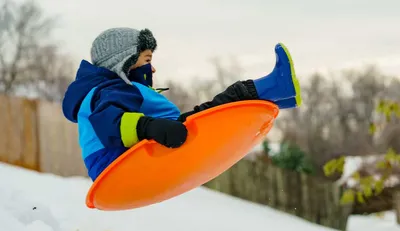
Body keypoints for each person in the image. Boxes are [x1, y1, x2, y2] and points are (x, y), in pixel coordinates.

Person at [62, 27, 302, 181]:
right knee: (215, 110)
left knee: (206, 114)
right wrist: (149, 127)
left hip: (124, 161)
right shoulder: (109, 90)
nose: (152, 68)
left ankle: (277, 96)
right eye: (146, 60)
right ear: (124, 62)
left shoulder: (110, 90)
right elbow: (108, 123)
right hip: (117, 164)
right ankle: (275, 87)